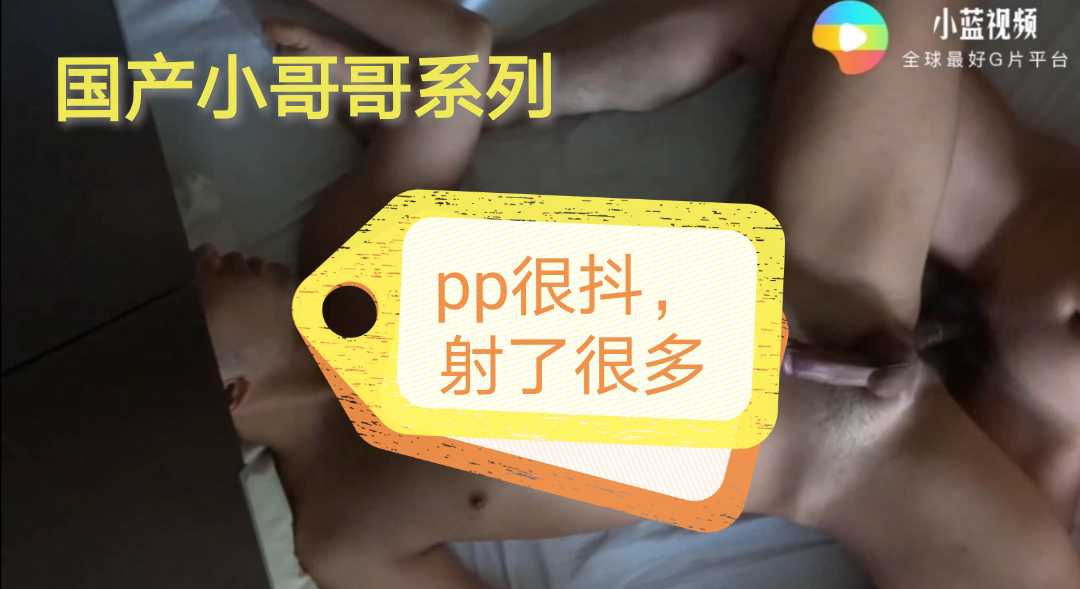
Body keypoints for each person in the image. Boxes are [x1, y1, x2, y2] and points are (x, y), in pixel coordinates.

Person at [195, 0, 1080, 587]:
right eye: (197, 283)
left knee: (872, 18)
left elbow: (456, 53)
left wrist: (395, 89)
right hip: (853, 451)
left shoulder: (343, 255)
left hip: (814, 290)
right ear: (227, 391)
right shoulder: (342, 531)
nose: (209, 253)